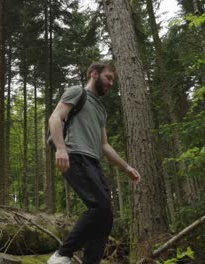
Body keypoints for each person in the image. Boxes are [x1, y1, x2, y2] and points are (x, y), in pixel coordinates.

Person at [47, 62, 141, 264]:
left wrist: (126, 167)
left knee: (106, 217)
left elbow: (104, 145)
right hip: (74, 155)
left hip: (93, 162)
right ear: (94, 74)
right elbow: (56, 117)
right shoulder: (76, 92)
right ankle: (62, 255)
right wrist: (61, 148)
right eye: (108, 77)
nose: (111, 83)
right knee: (99, 206)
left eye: (113, 80)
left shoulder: (101, 110)